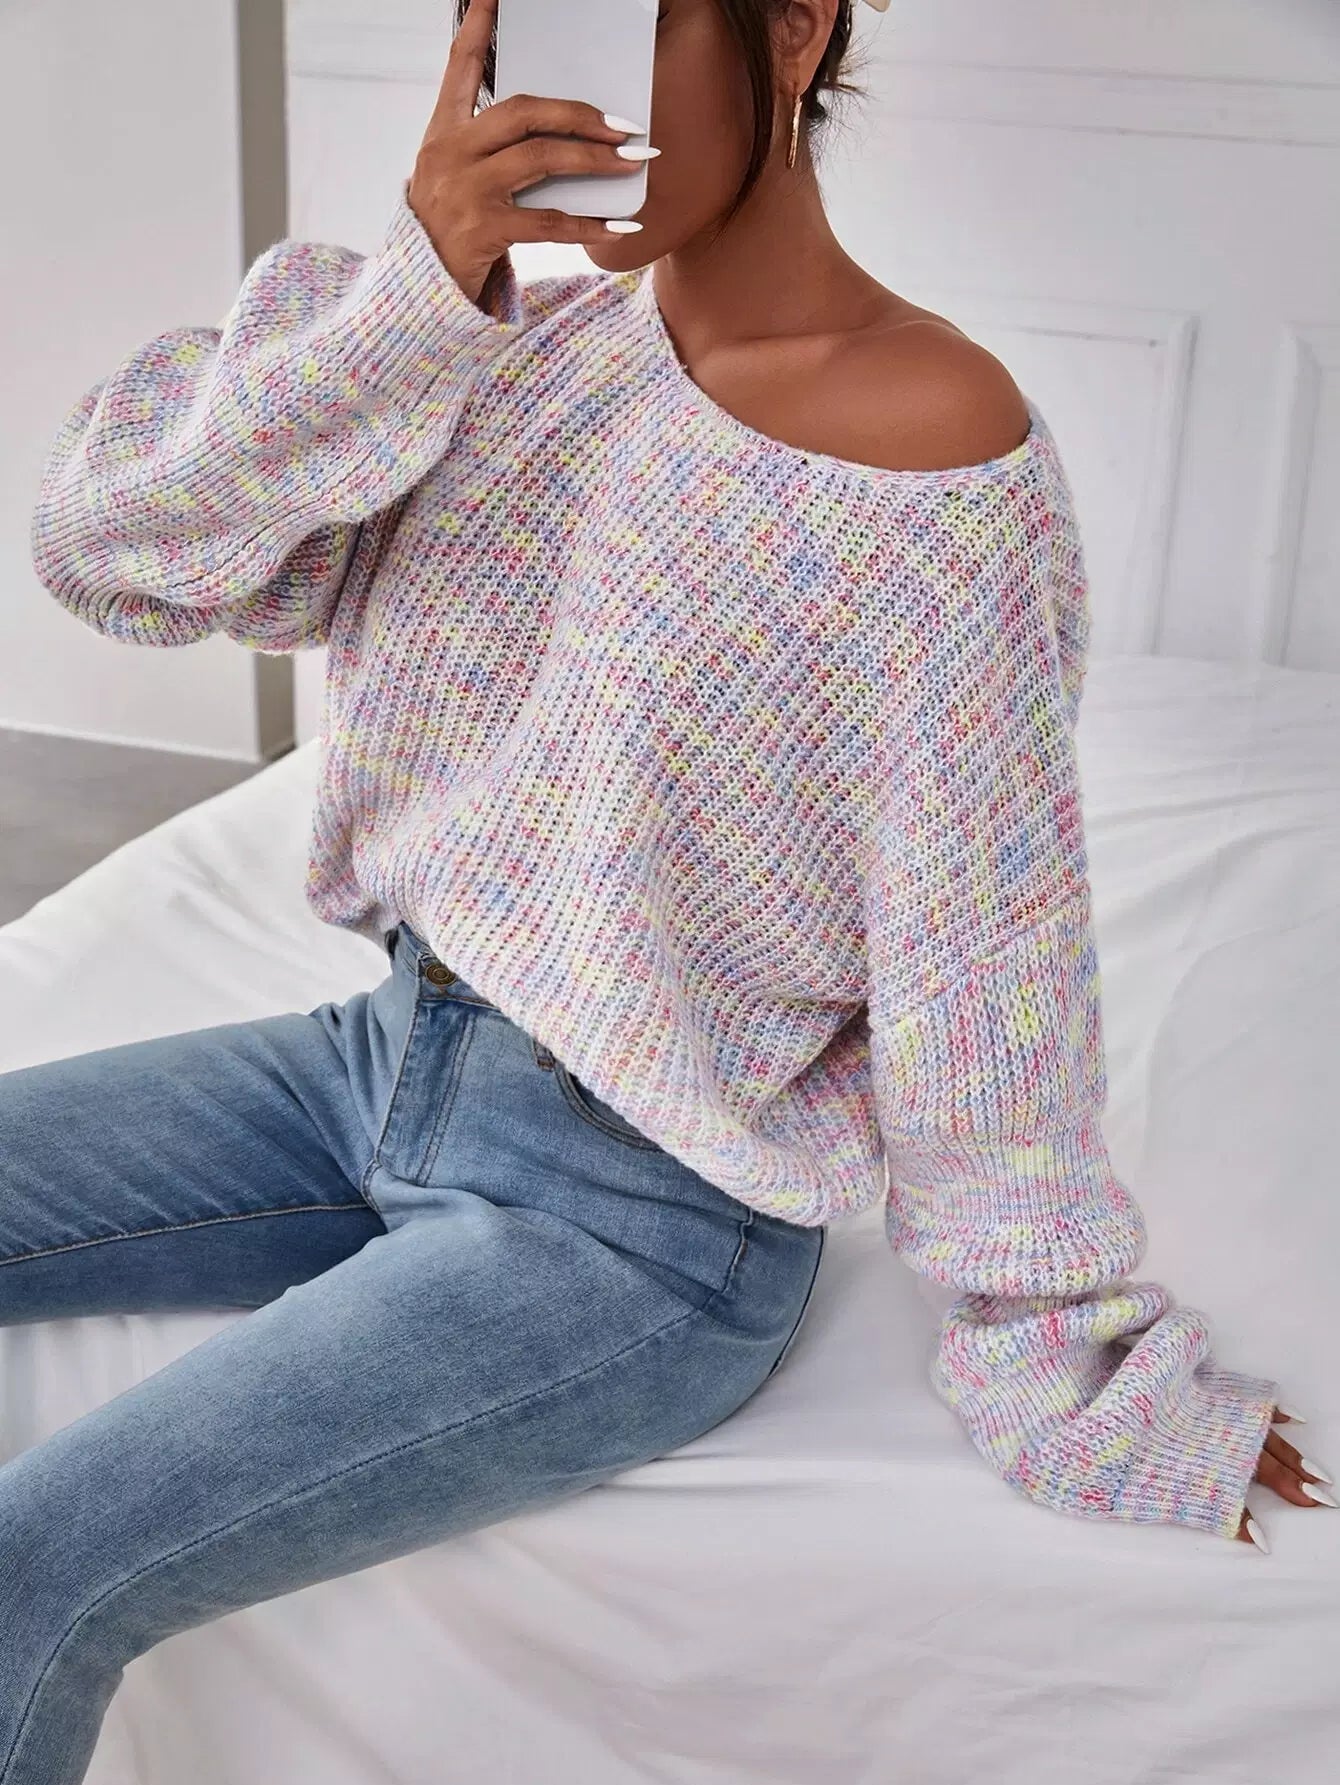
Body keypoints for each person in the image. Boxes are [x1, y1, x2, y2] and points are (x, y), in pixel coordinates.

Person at [6, 0, 1329, 1776]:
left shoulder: (934, 442)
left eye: (624, 16)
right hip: (379, 1061)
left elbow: (983, 949)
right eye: (513, 19)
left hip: (632, 1227)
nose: (565, 85)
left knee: (36, 1556)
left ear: (793, 26)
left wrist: (1063, 1343)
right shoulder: (501, 353)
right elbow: (114, 555)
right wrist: (414, 294)